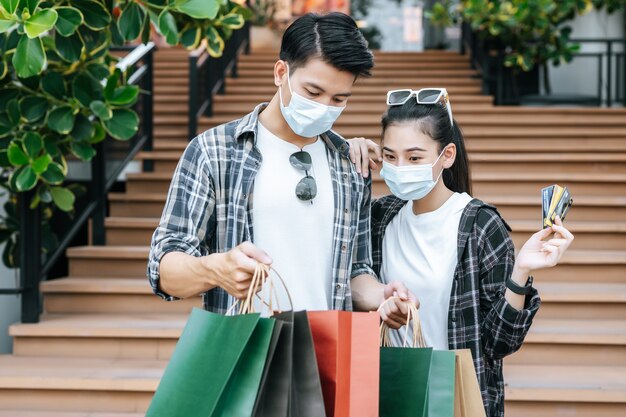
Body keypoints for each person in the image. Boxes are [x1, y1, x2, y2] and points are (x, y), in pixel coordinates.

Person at [147, 12, 411, 323]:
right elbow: (162, 268)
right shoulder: (214, 152)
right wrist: (216, 269)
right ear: (280, 72)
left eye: (339, 98)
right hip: (247, 354)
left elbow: (357, 269)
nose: (325, 107)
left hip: (329, 354)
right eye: (313, 92)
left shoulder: (351, 164)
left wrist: (381, 297)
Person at [348, 88, 575, 417]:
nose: (400, 167)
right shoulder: (381, 218)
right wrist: (344, 152)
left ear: (447, 155)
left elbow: (500, 343)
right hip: (390, 393)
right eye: (391, 156)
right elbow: (349, 279)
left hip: (455, 398)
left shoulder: (480, 224)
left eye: (414, 157)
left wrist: (521, 271)